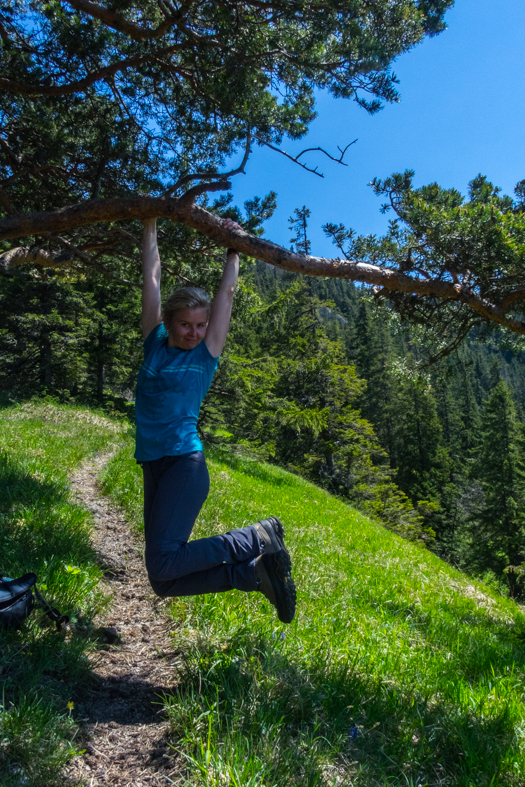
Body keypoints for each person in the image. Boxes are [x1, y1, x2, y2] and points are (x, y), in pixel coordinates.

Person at [135, 217, 296, 624]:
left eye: (200, 325)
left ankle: (255, 537)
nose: (193, 332)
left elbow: (227, 292)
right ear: (168, 322)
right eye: (185, 324)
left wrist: (234, 246)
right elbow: (151, 276)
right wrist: (151, 221)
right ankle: (251, 573)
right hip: (153, 465)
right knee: (163, 579)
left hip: (184, 463)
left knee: (165, 560)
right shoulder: (153, 342)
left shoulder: (205, 354)